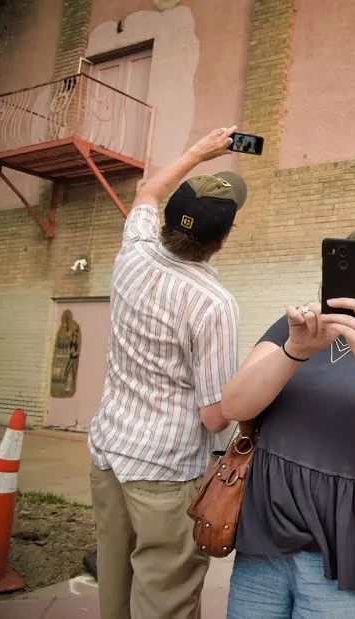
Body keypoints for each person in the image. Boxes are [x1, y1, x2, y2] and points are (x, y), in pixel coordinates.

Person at [221, 226, 355, 618]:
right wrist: (295, 350)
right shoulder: (297, 329)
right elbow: (235, 406)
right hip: (265, 547)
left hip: (350, 561)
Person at [88, 126, 244, 619]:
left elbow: (147, 191)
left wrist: (200, 151)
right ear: (222, 239)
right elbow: (215, 416)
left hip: (109, 455)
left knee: (115, 586)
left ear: (167, 223)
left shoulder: (132, 255)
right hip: (166, 472)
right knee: (165, 602)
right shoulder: (214, 303)